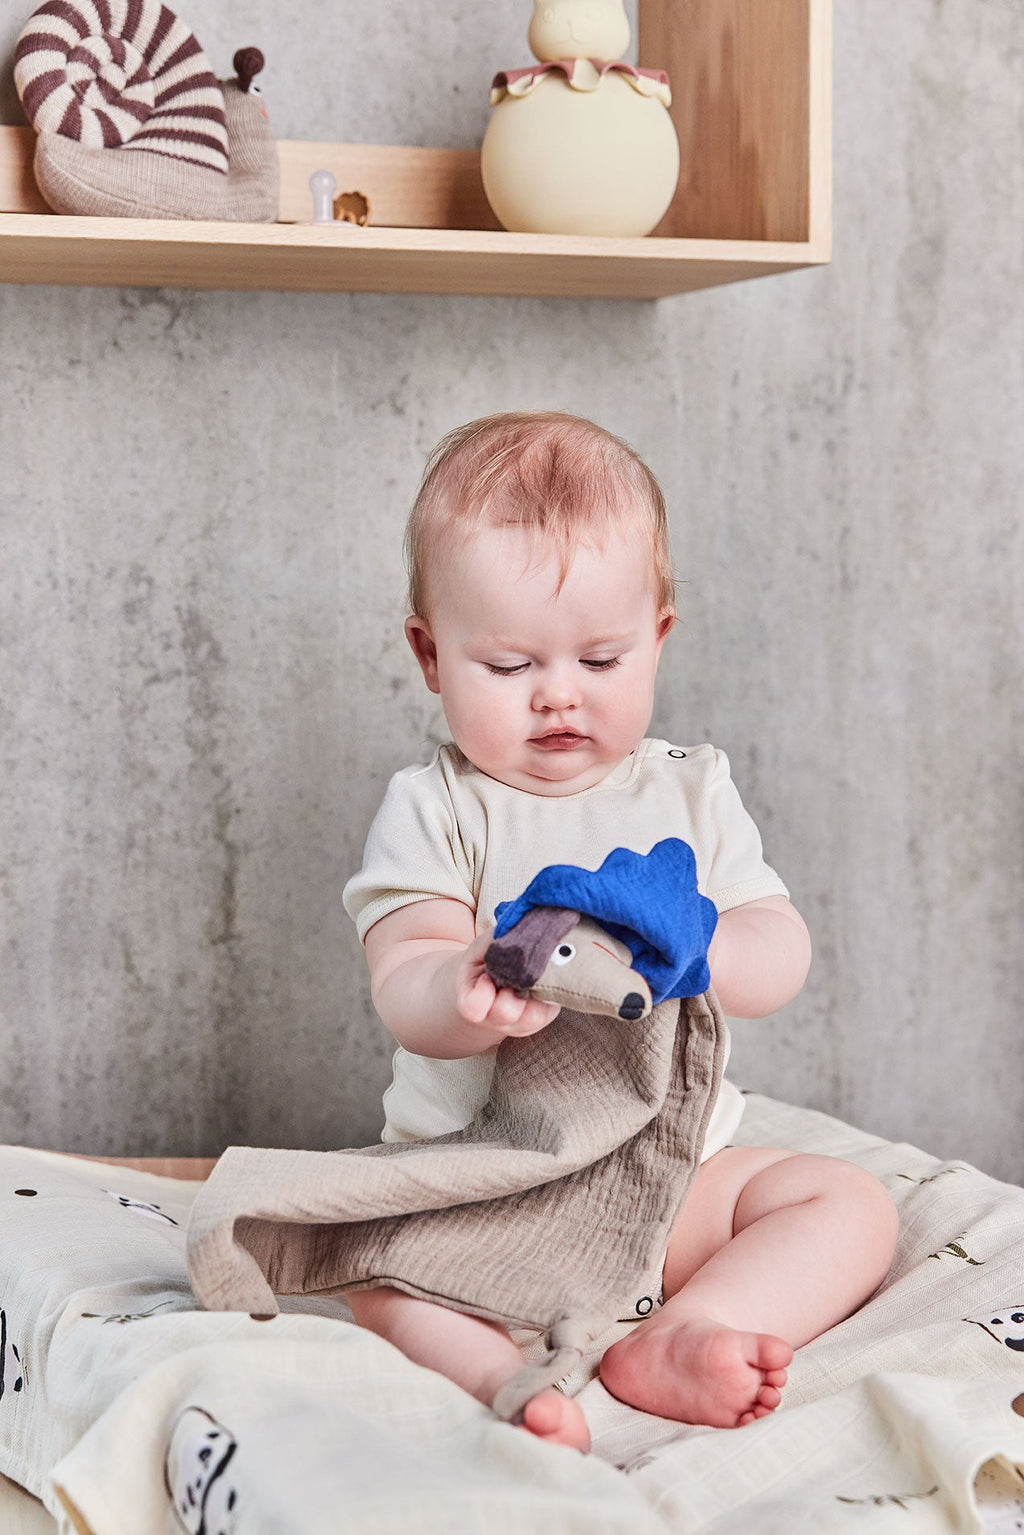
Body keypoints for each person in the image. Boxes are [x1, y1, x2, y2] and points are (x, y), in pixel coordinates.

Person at [342, 411, 898, 1453]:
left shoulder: (691, 790)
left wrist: (707, 945)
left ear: (658, 637)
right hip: (486, 1184)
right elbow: (403, 975)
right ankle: (507, 1379)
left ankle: (685, 1329)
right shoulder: (436, 808)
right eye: (509, 664)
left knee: (849, 1204)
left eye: (601, 657)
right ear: (430, 654)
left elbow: (779, 948)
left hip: (670, 1175)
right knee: (371, 1265)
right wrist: (465, 986)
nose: (559, 692)